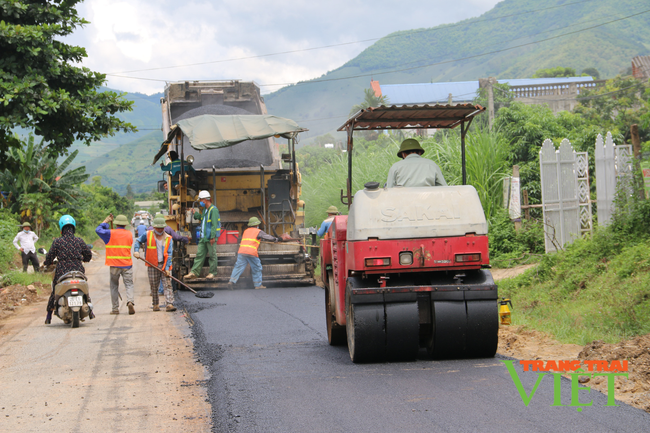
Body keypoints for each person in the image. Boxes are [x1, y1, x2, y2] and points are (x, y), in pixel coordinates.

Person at [43, 215, 93, 324]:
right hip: (78, 270)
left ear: (61, 228)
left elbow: (50, 256)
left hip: (62, 271)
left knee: (55, 291)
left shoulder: (57, 242)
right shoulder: (79, 241)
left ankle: (48, 317)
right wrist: (84, 259)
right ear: (73, 227)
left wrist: (47, 263)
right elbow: (88, 255)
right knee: (85, 288)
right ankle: (90, 311)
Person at [134, 217, 176, 312]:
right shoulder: (148, 235)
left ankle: (169, 304)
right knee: (154, 285)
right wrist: (136, 251)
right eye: (158, 228)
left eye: (162, 228)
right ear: (154, 227)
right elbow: (138, 241)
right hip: (152, 265)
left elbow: (169, 254)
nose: (160, 230)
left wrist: (167, 268)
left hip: (164, 264)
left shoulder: (168, 238)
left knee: (167, 284)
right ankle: (156, 304)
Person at [96, 214, 136, 315]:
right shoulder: (129, 234)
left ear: (117, 224)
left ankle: (115, 308)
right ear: (125, 225)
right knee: (129, 284)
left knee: (114, 286)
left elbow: (98, 230)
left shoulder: (110, 233)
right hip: (127, 264)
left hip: (114, 265)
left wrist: (106, 221)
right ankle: (130, 301)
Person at [227, 217, 281, 289]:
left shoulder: (245, 231)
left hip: (242, 252)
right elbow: (267, 237)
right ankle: (258, 285)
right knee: (257, 268)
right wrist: (277, 239)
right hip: (251, 252)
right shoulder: (258, 231)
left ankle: (231, 281)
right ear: (256, 225)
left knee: (238, 267)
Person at [145, 220, 190, 296]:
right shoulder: (168, 229)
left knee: (154, 276)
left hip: (151, 257)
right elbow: (176, 237)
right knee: (163, 274)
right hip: (163, 256)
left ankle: (155, 291)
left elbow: (145, 245)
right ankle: (161, 290)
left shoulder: (148, 230)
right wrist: (185, 239)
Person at [184, 190, 220, 279]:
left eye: (200, 200)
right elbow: (202, 219)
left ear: (205, 200)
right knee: (199, 255)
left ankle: (213, 273)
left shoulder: (213, 210)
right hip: (203, 237)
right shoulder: (205, 210)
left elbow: (214, 225)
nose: (200, 202)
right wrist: (195, 213)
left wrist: (212, 237)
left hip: (210, 238)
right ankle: (194, 273)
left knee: (212, 255)